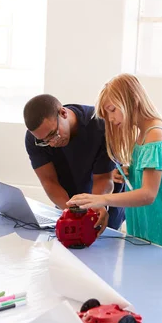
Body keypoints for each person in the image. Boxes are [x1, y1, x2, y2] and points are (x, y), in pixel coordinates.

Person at [67, 74, 162, 249]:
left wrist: (100, 199)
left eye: (112, 110)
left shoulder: (155, 135)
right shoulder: (143, 135)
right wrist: (131, 172)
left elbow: (148, 194)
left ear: (132, 100)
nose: (111, 119)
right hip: (146, 231)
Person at [23, 94, 125, 232]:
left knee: (103, 244)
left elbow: (103, 179)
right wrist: (71, 212)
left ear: (63, 113)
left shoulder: (100, 125)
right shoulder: (35, 139)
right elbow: (49, 181)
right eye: (44, 140)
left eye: (53, 134)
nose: (52, 143)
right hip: (68, 201)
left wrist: (95, 206)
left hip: (103, 200)